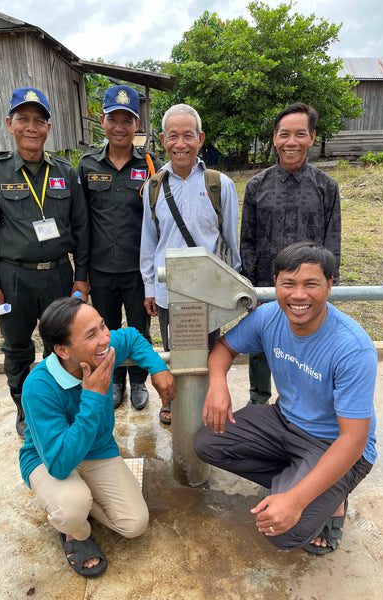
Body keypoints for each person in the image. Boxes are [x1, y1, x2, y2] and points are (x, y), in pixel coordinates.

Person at [195, 243, 376, 555]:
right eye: (288, 284)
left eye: (311, 284)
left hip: (333, 443)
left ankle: (328, 497)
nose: (298, 296)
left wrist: (295, 500)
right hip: (284, 421)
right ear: (275, 283)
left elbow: (353, 440)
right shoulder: (269, 317)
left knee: (284, 533)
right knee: (207, 442)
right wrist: (217, 383)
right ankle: (312, 485)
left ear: (330, 285)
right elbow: (224, 348)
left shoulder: (352, 349)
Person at [19, 296, 175, 577]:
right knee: (71, 509)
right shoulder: (38, 387)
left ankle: (81, 503)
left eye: (102, 326)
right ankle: (74, 532)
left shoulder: (103, 349)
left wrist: (158, 368)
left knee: (134, 524)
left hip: (97, 450)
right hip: (49, 459)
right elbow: (60, 463)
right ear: (62, 350)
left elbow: (132, 336)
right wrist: (92, 395)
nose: (105, 339)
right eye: (92, 334)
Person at [0, 87, 89, 437]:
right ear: (10, 124)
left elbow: (81, 228)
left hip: (58, 274)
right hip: (14, 280)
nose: (31, 127)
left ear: (48, 128)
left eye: (39, 120)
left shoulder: (66, 173)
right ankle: (26, 410)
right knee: (17, 347)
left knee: (63, 346)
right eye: (23, 119)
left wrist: (81, 278)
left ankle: (62, 404)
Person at [140, 103, 241, 425]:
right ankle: (174, 401)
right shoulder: (153, 187)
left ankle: (206, 403)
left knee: (210, 351)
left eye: (187, 135)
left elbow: (230, 243)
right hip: (170, 290)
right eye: (173, 136)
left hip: (209, 290)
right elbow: (148, 242)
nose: (180, 143)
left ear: (200, 138)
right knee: (175, 351)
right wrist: (150, 287)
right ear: (162, 139)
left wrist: (232, 285)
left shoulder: (218, 184)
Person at [240, 102, 341, 405]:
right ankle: (258, 399)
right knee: (261, 345)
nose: (291, 142)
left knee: (307, 344)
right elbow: (246, 238)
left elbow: (332, 240)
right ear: (274, 138)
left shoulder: (327, 187)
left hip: (308, 287)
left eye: (300, 134)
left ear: (311, 137)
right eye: (285, 134)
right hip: (266, 284)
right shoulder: (257, 186)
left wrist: (326, 284)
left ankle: (304, 403)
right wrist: (251, 285)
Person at [78, 85, 161, 411]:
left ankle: (139, 380)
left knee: (140, 330)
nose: (120, 127)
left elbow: (158, 222)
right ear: (103, 120)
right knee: (105, 333)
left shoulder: (151, 165)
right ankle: (115, 381)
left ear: (136, 124)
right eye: (114, 118)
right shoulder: (87, 167)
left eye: (127, 120)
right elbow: (81, 224)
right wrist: (81, 274)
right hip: (100, 271)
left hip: (138, 271)